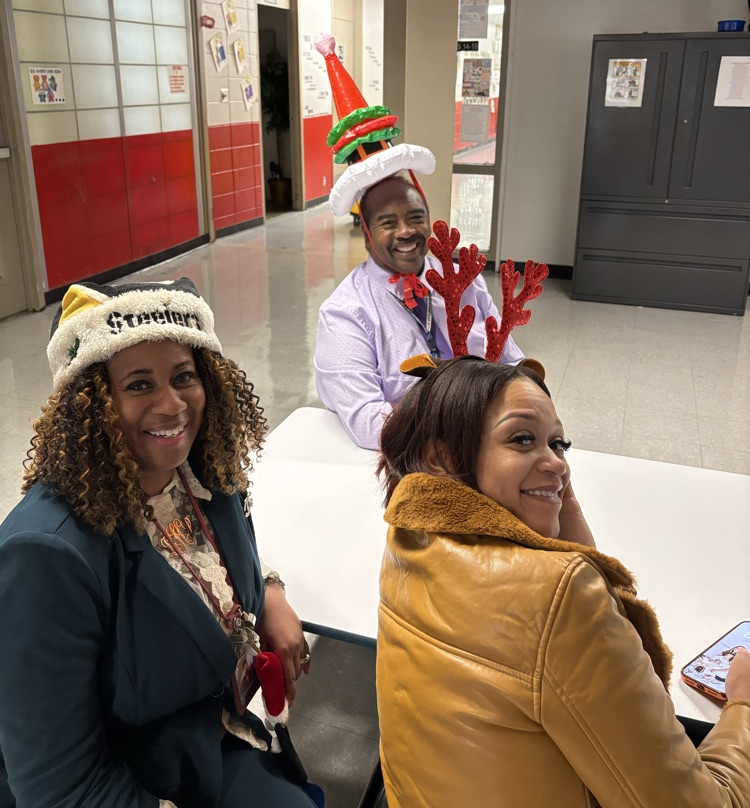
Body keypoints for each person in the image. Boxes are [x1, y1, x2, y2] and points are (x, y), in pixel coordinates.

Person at [0, 278, 321, 808]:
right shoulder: (46, 555)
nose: (173, 405)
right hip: (126, 776)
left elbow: (224, 559)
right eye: (139, 384)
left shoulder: (205, 475)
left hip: (205, 734)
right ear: (91, 404)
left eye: (184, 377)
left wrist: (268, 593)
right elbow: (57, 786)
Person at [375, 354, 750, 807]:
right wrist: (742, 706)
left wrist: (579, 553)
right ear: (443, 457)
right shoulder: (558, 596)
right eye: (521, 439)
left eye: (559, 443)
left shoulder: (408, 535)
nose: (556, 463)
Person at [314, 176, 524, 450]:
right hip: (412, 457)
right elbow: (368, 422)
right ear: (367, 236)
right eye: (388, 223)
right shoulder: (345, 313)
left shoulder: (465, 280)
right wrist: (461, 433)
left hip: (489, 440)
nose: (405, 231)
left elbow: (511, 363)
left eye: (416, 218)